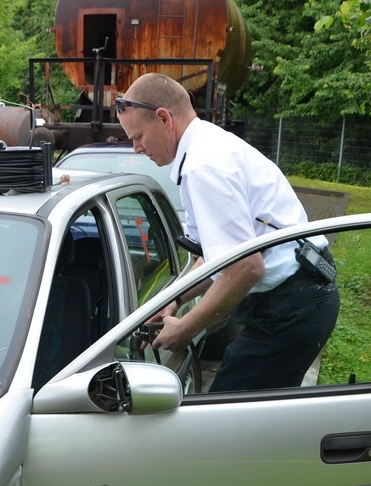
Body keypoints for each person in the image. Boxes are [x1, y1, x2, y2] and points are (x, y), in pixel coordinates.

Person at [116, 73, 339, 392]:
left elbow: (245, 267)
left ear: (164, 118)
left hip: (292, 305)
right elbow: (215, 256)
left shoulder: (204, 168)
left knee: (227, 415)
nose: (136, 148)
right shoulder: (205, 148)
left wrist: (185, 329)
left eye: (137, 136)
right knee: (250, 418)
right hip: (301, 296)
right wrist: (173, 300)